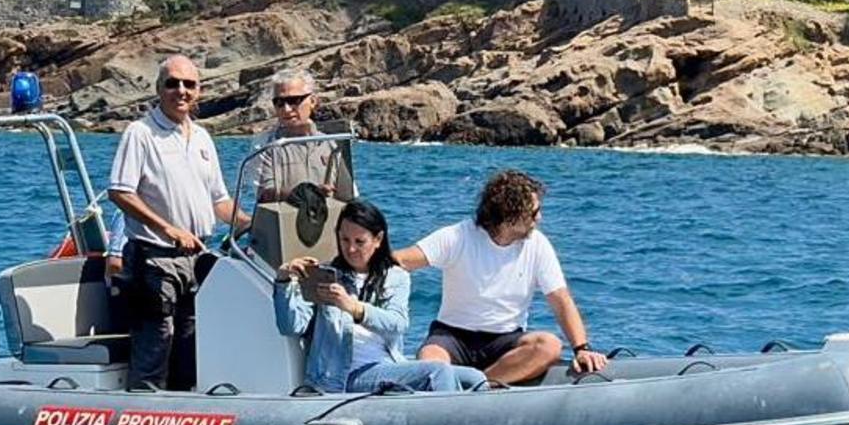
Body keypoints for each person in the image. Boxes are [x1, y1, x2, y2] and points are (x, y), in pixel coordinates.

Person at [395, 170, 607, 386]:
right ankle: (462, 388)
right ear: (509, 217)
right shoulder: (457, 236)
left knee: (549, 345)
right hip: (452, 337)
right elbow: (401, 261)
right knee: (431, 359)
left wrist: (582, 349)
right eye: (534, 213)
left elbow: (560, 299)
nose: (539, 219)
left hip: (506, 340)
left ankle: (482, 386)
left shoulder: (537, 244)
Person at [108, 54, 244, 390]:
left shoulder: (201, 138)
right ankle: (141, 422)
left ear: (199, 91)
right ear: (158, 89)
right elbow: (120, 192)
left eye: (189, 84)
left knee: (190, 349)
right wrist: (168, 228)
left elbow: (220, 203)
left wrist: (257, 223)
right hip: (154, 259)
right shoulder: (140, 133)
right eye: (172, 83)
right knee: (155, 346)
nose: (180, 91)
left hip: (199, 259)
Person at [274, 199, 484, 393]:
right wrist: (283, 281)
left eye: (359, 241)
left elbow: (398, 323)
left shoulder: (395, 276)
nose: (351, 248)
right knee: (439, 372)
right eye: (344, 239)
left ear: (378, 239)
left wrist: (354, 307)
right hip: (343, 376)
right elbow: (291, 326)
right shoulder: (326, 276)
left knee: (475, 378)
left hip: (388, 365)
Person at [249, 69, 354, 203]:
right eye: (279, 103)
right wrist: (305, 194)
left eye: (294, 100)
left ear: (313, 101)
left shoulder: (333, 144)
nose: (286, 109)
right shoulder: (264, 145)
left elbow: (348, 195)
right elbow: (264, 195)